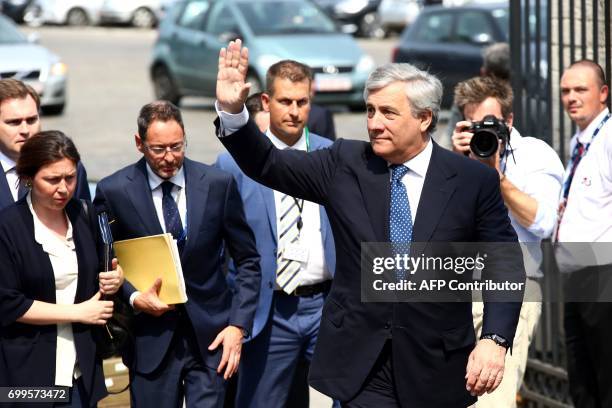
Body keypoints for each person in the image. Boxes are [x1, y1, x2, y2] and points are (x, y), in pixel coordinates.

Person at [213, 39, 524, 407]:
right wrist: (233, 112)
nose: (374, 123)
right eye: (370, 111)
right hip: (362, 365)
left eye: (388, 113)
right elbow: (269, 163)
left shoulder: (472, 181)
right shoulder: (346, 163)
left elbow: (503, 262)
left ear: (424, 118)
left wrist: (494, 339)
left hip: (435, 364)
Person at [93, 100, 261, 408]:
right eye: (159, 149)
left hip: (212, 340)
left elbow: (248, 260)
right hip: (150, 341)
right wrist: (133, 297)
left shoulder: (217, 184)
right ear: (139, 143)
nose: (170, 158)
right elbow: (104, 264)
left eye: (177, 146)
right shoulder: (113, 191)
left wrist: (238, 326)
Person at [215, 60, 336, 408]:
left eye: (302, 102)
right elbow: (220, 246)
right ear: (266, 102)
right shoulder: (234, 164)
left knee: (349, 396)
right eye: (286, 102)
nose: (295, 111)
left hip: (326, 306)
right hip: (270, 311)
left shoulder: (332, 155)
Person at [451, 76, 564, 407]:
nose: (483, 133)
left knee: (492, 400)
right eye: (474, 125)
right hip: (453, 287)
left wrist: (495, 175)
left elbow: (543, 222)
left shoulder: (534, 155)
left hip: (513, 288)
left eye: (491, 123)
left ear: (509, 120)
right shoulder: (453, 157)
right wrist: (453, 162)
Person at [0, 131, 124, 407]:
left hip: (81, 369)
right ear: (29, 178)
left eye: (70, 177)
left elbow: (104, 268)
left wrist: (115, 278)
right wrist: (78, 313)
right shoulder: (7, 227)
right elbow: (7, 303)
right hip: (26, 374)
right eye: (52, 179)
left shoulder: (84, 214)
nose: (64, 188)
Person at [555, 59, 612, 408]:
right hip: (578, 276)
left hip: (603, 271)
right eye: (565, 91)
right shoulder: (581, 142)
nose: (571, 98)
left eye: (580, 89)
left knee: (605, 378)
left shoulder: (607, 138)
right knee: (582, 379)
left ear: (603, 94)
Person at [0, 79, 90, 210]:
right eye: (14, 122)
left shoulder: (69, 167)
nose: (25, 130)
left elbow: (82, 223)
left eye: (31, 120)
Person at [446, 43, 510, 141]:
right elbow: (449, 140)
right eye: (475, 123)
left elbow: (446, 141)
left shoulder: (467, 101)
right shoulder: (533, 105)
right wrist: (458, 154)